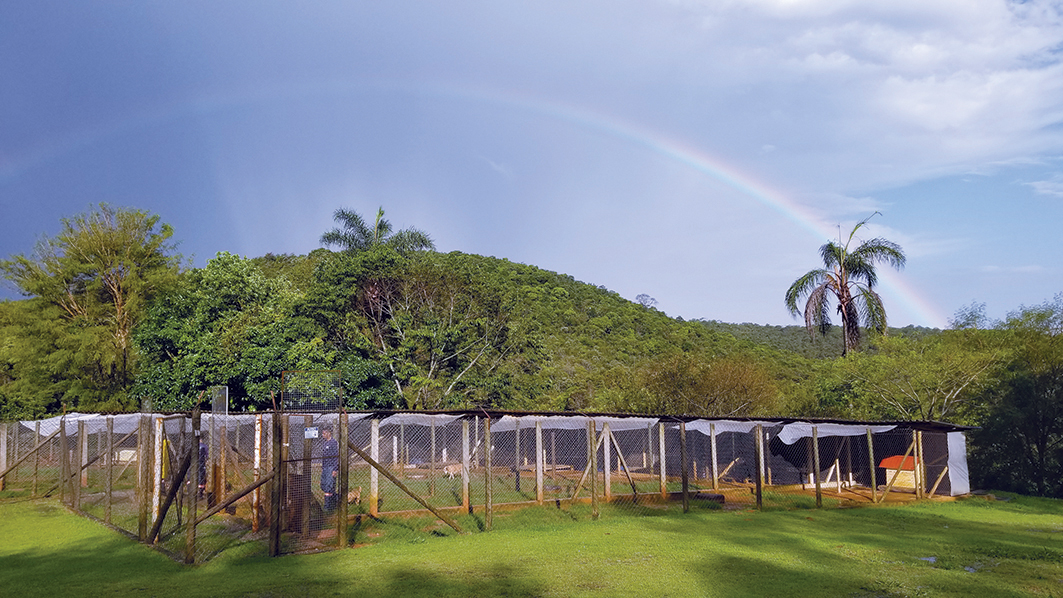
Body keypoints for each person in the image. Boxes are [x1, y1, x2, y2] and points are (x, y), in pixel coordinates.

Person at [320, 427, 339, 512]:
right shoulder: (325, 444)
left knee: (329, 486)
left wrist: (335, 469)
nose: (322, 435)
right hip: (325, 468)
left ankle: (328, 507)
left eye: (324, 433)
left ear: (328, 433)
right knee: (323, 485)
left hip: (331, 467)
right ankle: (335, 500)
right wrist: (322, 468)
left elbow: (336, 457)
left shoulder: (333, 443)